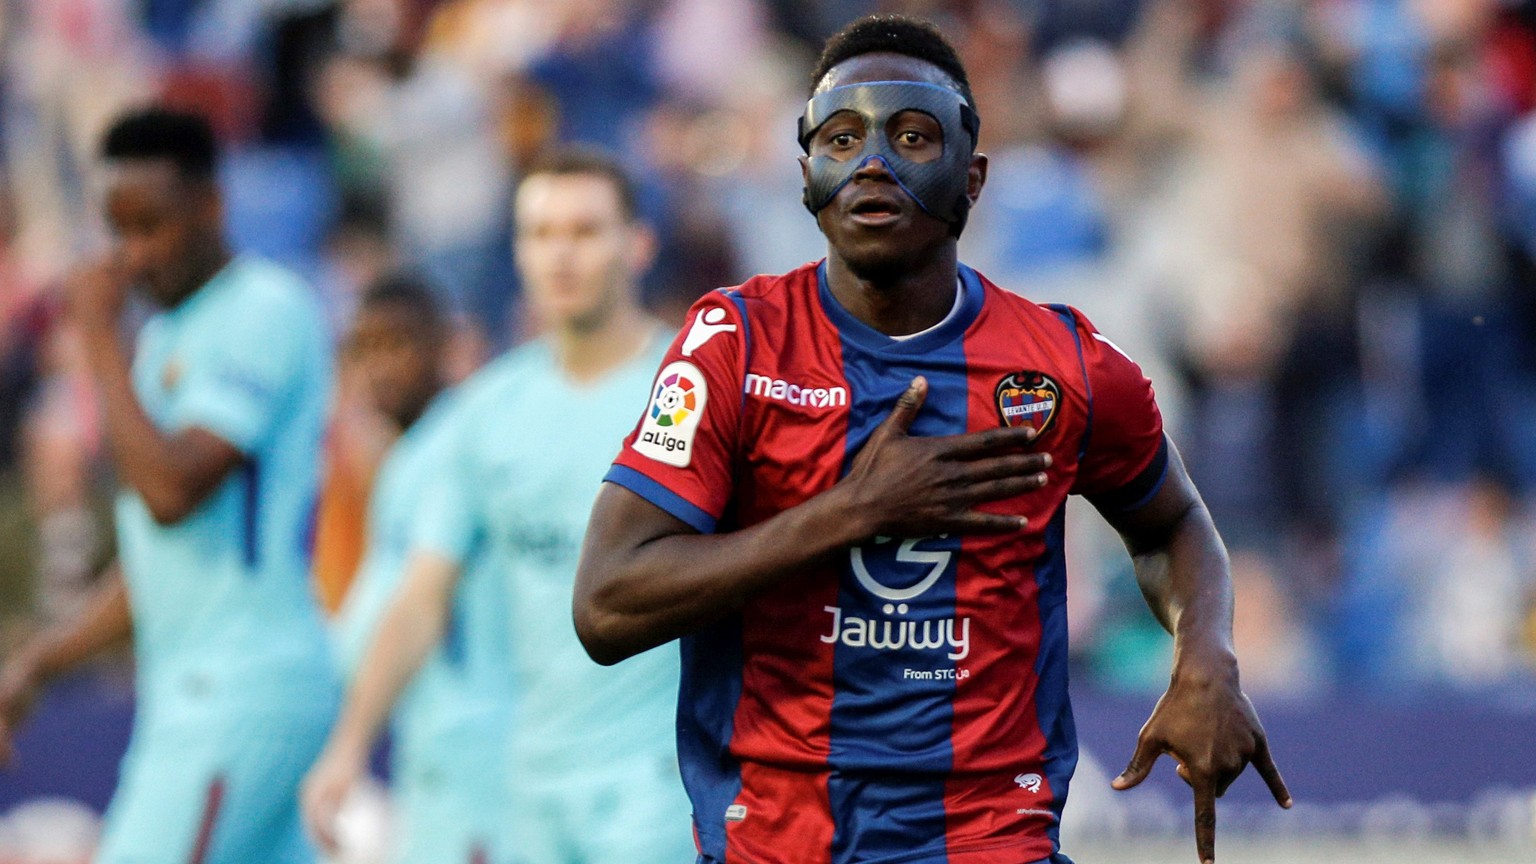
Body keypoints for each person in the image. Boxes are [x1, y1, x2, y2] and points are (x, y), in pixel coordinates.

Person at [573, 15, 1291, 864]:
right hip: (778, 838)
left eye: (911, 135)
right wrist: (851, 513)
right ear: (806, 174)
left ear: (972, 176)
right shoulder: (734, 343)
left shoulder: (1065, 365)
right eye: (841, 138)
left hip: (990, 837)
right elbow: (607, 604)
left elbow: (1173, 522)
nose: (872, 161)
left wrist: (1205, 656)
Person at [302, 148, 695, 864]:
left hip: (659, 781)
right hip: (531, 784)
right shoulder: (484, 414)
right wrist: (349, 745)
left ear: (637, 245)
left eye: (584, 230)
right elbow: (422, 595)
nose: (561, 255)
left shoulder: (690, 392)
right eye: (541, 234)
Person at [0, 108, 338, 862]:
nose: (130, 255)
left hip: (240, 690)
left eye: (150, 226)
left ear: (211, 207)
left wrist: (94, 337)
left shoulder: (263, 308)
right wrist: (40, 662)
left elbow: (171, 492)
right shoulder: (161, 339)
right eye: (116, 229)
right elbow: (158, 562)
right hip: (198, 690)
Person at [323, 275, 515, 862]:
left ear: (444, 346)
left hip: (471, 760)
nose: (379, 366)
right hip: (455, 755)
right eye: (364, 349)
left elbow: (378, 626)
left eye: (398, 345)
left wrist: (337, 739)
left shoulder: (437, 454)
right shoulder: (422, 452)